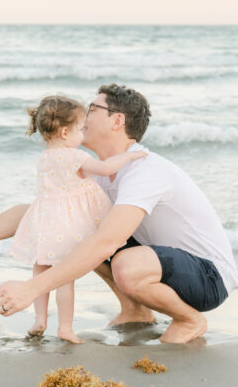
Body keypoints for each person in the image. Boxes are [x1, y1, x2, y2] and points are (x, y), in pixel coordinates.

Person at [0, 84, 238, 343]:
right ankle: (136, 310)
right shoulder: (94, 169)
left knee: (117, 255)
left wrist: (32, 288)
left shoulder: (145, 170)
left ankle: (189, 319)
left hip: (208, 277)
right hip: (161, 263)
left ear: (117, 121)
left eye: (93, 109)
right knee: (69, 226)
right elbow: (39, 215)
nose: (83, 115)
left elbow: (107, 242)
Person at [10, 95, 147, 343]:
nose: (83, 135)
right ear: (64, 132)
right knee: (64, 276)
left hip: (43, 221)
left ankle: (39, 320)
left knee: (40, 270)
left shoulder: (44, 157)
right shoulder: (75, 156)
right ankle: (64, 327)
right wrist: (128, 157)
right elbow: (106, 169)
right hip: (66, 225)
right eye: (80, 130)